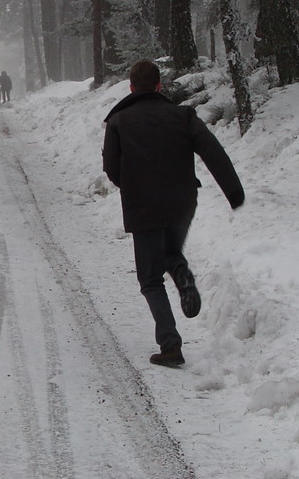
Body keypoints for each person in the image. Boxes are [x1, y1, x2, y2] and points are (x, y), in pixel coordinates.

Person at [102, 59, 245, 367]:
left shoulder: (118, 121)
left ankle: (170, 346)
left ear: (131, 87)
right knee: (170, 251)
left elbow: (111, 168)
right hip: (182, 200)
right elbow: (213, 150)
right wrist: (233, 192)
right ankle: (182, 274)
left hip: (143, 206)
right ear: (158, 86)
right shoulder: (183, 116)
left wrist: (131, 185)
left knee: (151, 279)